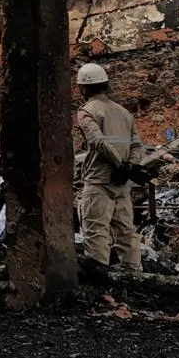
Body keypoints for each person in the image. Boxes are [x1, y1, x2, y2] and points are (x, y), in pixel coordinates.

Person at [74, 62, 145, 272]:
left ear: (83, 88)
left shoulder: (86, 111)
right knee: (126, 233)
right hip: (122, 184)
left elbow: (97, 142)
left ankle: (100, 282)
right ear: (106, 84)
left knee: (96, 232)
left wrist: (120, 166)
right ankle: (135, 275)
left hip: (99, 181)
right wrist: (129, 167)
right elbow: (139, 147)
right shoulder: (124, 113)